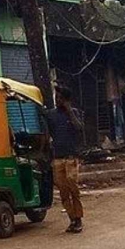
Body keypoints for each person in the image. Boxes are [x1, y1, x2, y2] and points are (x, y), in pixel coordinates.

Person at [45, 86, 85, 234]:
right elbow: (48, 133)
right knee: (63, 190)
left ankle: (78, 218)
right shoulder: (51, 115)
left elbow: (79, 128)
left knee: (72, 185)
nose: (57, 99)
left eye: (60, 97)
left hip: (71, 157)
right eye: (57, 97)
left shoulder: (73, 113)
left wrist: (69, 111)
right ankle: (72, 218)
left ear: (66, 99)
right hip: (57, 158)